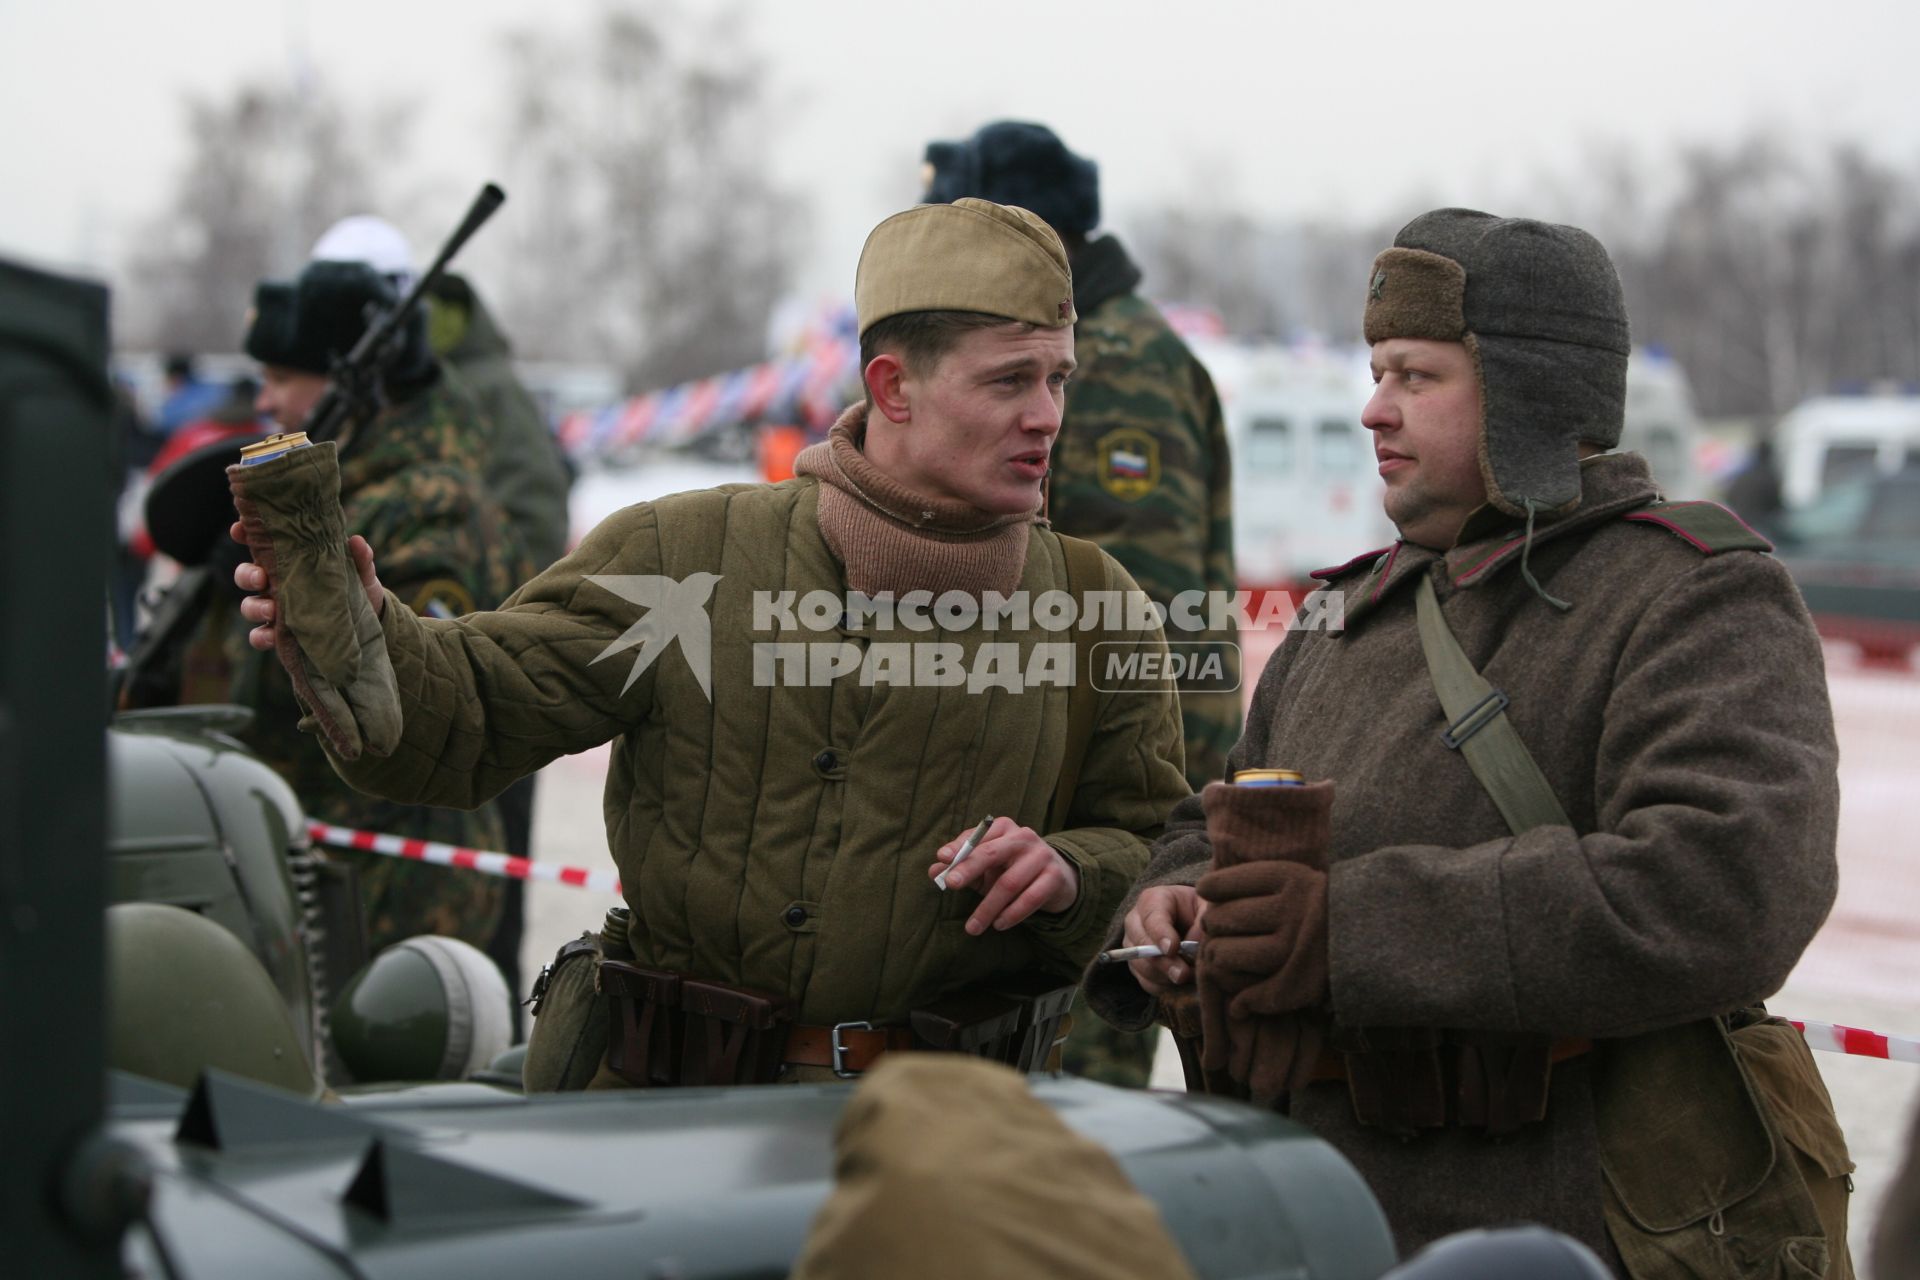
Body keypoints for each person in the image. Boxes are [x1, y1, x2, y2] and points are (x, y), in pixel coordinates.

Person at [233, 199, 1190, 1087]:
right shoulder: (684, 558)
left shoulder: (1095, 607)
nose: (1049, 415)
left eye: (1058, 377)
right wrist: (358, 630)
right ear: (892, 388)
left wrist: (1071, 874)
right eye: (1011, 380)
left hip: (946, 1153)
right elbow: (468, 713)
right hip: (667, 1118)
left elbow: (1157, 853)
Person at [1085, 209, 1850, 1274]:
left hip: (1574, 1217)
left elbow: (1726, 886)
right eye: (1375, 370)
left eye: (1414, 375)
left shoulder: (1694, 593)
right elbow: (1210, 815)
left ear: (1530, 390)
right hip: (1320, 1213)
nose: (1372, 408)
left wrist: (1347, 929)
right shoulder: (1344, 612)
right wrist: (1172, 898)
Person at [922, 121, 1240, 1087]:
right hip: (1078, 782)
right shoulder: (1082, 344)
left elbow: (1142, 611)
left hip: (1118, 782)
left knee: (1071, 1083)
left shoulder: (1120, 364)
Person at [311, 215, 573, 1031]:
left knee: (478, 940)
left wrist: (455, 625)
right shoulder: (370, 395)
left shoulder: (479, 393)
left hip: (486, 679)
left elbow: (534, 533)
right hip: (423, 687)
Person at [233, 259, 532, 957]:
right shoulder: (356, 495)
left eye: (282, 379)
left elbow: (413, 706)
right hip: (337, 859)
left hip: (396, 886)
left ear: (347, 384)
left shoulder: (434, 510)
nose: (267, 402)